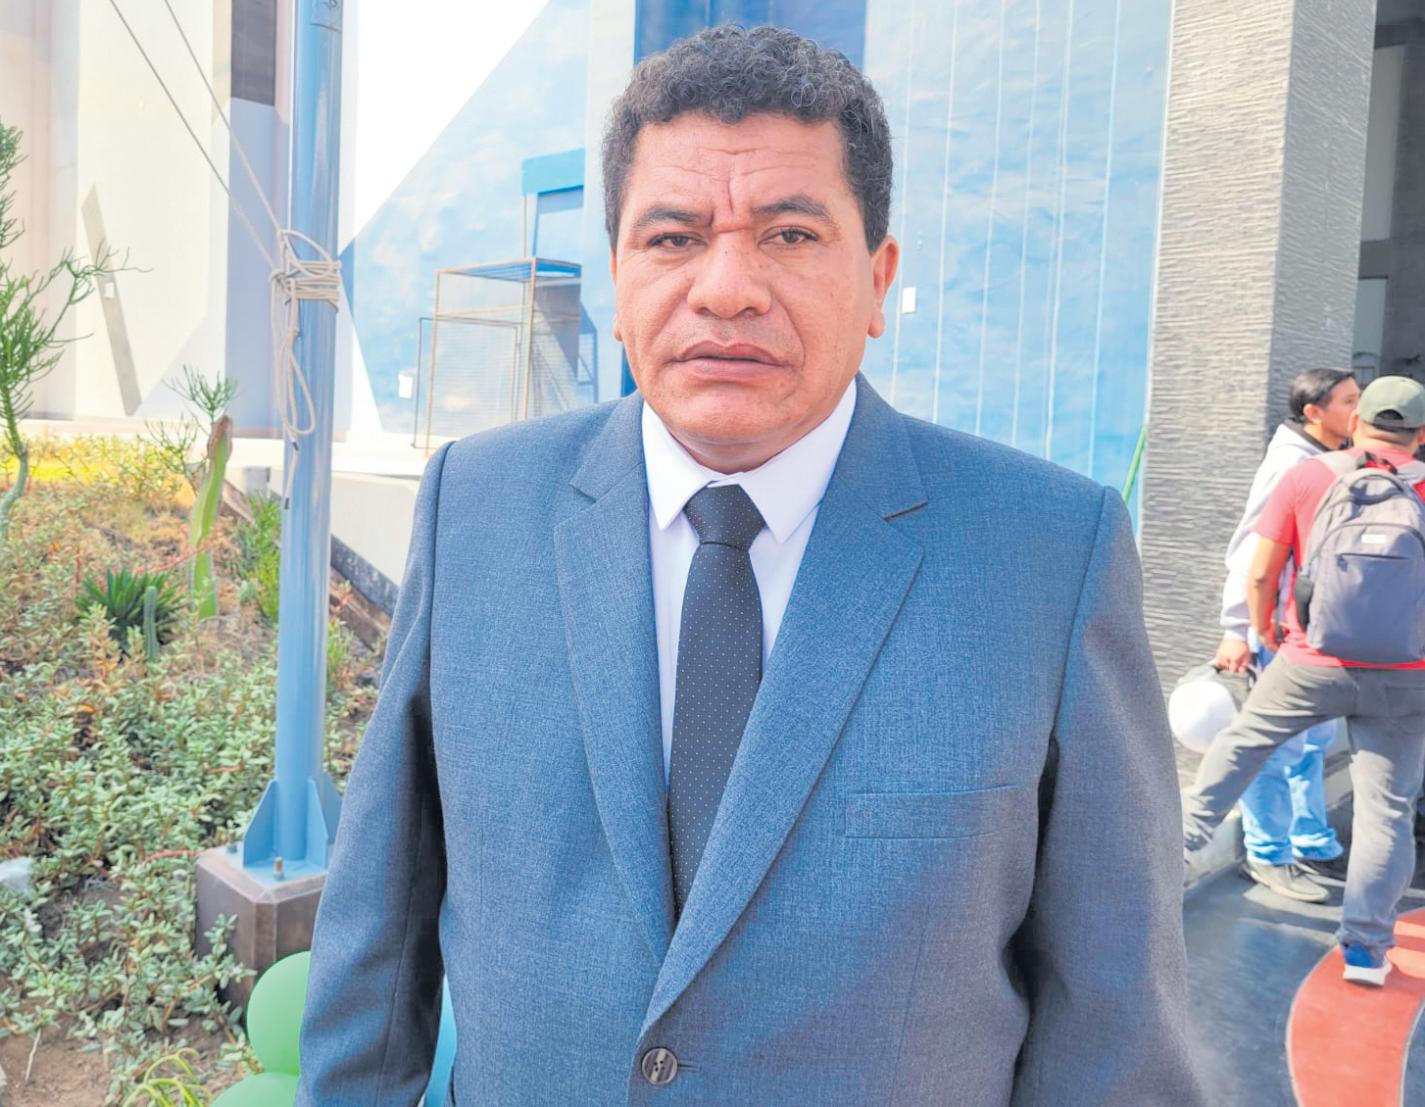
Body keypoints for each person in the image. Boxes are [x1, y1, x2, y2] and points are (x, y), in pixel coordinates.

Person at [297, 26, 1201, 1105]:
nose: (726, 289)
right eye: (673, 238)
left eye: (789, 234)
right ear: (619, 276)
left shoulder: (1046, 554)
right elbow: (381, 917)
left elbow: (1115, 1015)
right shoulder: (476, 507)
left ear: (878, 279)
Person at [1183, 375, 1425, 988]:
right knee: (1387, 810)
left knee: (1243, 743)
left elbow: (1261, 571)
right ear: (1421, 435)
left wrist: (1264, 629)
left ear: (1358, 422)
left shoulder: (1308, 475)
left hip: (1310, 659)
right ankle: (1366, 952)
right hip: (1406, 675)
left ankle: (1174, 846)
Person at [1212, 369, 1358, 902]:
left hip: (1311, 633)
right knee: (1275, 747)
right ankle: (1267, 854)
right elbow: (1251, 554)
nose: (1359, 410)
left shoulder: (1331, 461)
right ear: (1314, 412)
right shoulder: (1290, 465)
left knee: (1312, 742)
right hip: (1274, 631)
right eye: (1349, 401)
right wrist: (1238, 629)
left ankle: (1309, 839)